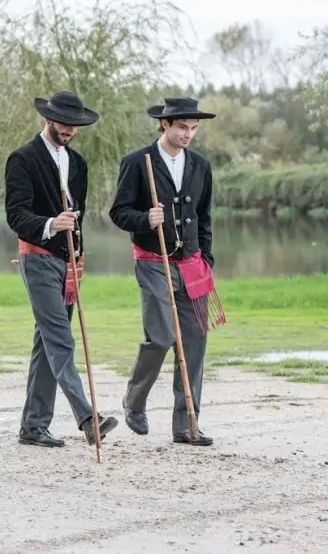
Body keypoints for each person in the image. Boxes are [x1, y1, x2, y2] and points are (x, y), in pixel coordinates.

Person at [109, 97, 226, 446]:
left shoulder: (200, 165)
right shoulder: (137, 162)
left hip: (192, 264)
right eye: (182, 127)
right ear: (164, 125)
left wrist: (206, 258)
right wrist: (146, 218)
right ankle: (134, 401)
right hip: (152, 261)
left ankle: (187, 424)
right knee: (160, 337)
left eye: (193, 128)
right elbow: (118, 212)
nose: (188, 134)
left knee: (194, 343)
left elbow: (204, 218)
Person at [5, 91, 119, 448]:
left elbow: (79, 215)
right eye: (64, 123)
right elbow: (16, 215)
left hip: (69, 263)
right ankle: (87, 418)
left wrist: (77, 253)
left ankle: (33, 426)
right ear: (48, 119)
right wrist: (52, 224)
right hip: (37, 256)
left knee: (47, 343)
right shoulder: (23, 158)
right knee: (60, 339)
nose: (69, 130)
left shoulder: (78, 163)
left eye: (75, 125)